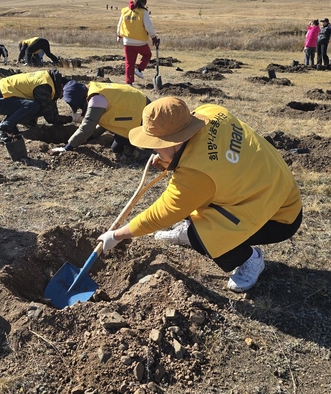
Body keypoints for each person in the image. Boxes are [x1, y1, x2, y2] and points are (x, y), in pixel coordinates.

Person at [97, 97, 303, 292]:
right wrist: (168, 158)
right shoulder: (211, 112)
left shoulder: (196, 174)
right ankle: (191, 228)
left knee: (201, 238)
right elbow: (203, 164)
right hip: (271, 185)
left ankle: (249, 258)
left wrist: (116, 235)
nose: (152, 149)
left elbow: (162, 213)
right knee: (193, 200)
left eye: (156, 144)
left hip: (279, 214)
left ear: (172, 141)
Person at [55, 81, 150, 154]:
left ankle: (145, 149)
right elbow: (106, 120)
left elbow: (87, 127)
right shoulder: (93, 90)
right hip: (134, 108)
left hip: (142, 113)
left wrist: (67, 148)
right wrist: (89, 138)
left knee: (118, 149)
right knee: (117, 146)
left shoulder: (96, 100)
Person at [0, 70, 72, 145]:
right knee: (33, 106)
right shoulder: (44, 87)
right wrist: (72, 118)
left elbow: (51, 110)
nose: (62, 97)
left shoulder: (49, 81)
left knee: (37, 106)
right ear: (61, 86)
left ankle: (14, 125)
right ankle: (1, 129)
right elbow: (50, 117)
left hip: (6, 98)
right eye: (64, 94)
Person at [117, 0, 158, 85]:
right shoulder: (143, 12)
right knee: (147, 54)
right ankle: (139, 70)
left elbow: (120, 24)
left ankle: (129, 83)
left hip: (127, 41)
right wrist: (154, 37)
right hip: (140, 41)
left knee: (129, 63)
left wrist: (119, 35)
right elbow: (148, 26)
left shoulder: (124, 10)